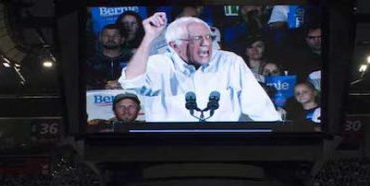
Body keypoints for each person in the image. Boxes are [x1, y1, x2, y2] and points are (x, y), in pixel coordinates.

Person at [119, 14, 280, 123]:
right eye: (197, 38)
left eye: (208, 37)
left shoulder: (230, 62)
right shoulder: (159, 64)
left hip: (222, 148)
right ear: (175, 45)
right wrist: (149, 38)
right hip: (170, 149)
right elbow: (132, 82)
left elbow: (261, 109)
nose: (206, 43)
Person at [87, 24, 132, 89]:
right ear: (100, 38)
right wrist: (102, 86)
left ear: (122, 39)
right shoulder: (90, 62)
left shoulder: (132, 61)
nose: (110, 38)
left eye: (115, 36)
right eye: (106, 36)